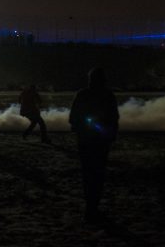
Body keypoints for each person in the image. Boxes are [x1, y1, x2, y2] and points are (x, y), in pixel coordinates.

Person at [69, 67, 119, 224]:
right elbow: (114, 118)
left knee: (88, 175)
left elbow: (73, 119)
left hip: (85, 141)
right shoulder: (108, 95)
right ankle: (93, 207)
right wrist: (110, 135)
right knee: (98, 175)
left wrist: (81, 129)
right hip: (100, 141)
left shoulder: (82, 94)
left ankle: (90, 208)